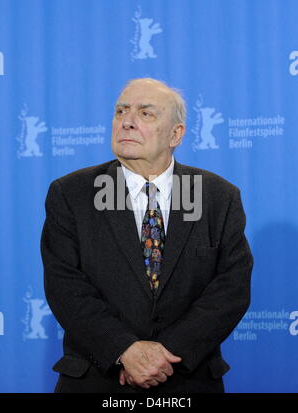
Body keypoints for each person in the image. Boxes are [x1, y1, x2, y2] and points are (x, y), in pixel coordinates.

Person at [41, 78, 253, 393]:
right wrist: (124, 350)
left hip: (186, 381)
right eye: (120, 111)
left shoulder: (218, 197)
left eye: (145, 114)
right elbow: (65, 286)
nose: (126, 122)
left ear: (176, 134)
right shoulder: (71, 194)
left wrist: (163, 354)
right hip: (97, 380)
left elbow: (230, 289)